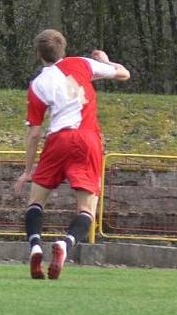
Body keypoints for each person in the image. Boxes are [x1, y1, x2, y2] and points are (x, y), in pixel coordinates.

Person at [13, 29, 129, 280]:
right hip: (87, 139)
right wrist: (105, 61)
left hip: (57, 140)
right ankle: (65, 245)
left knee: (35, 202)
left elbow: (34, 133)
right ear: (63, 50)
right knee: (86, 209)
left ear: (38, 54)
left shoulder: (37, 85)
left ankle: (35, 247)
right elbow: (123, 73)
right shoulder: (80, 64)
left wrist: (27, 171)